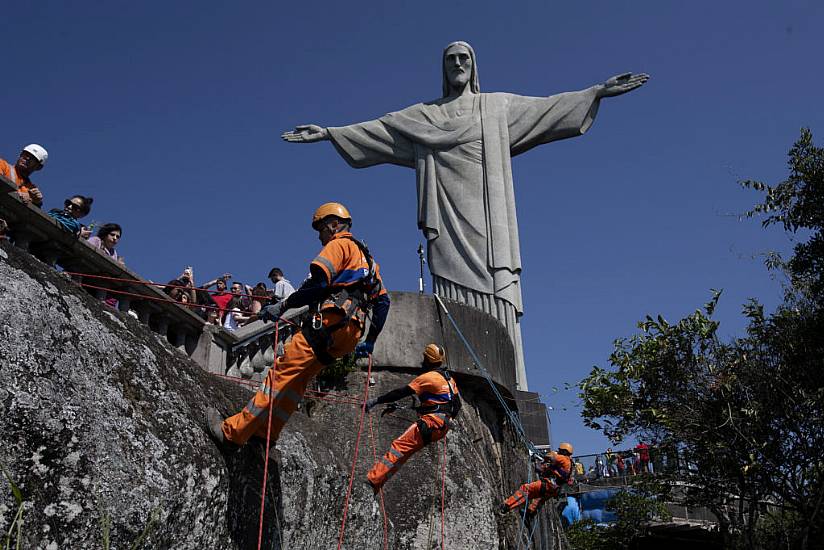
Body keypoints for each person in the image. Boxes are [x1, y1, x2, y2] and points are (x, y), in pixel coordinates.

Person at [282, 41, 649, 390]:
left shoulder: (496, 107)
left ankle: (513, 381)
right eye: (451, 60)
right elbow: (379, 128)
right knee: (451, 283)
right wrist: (329, 133)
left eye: (464, 59)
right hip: (446, 215)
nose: (458, 64)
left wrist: (596, 91)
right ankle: (453, 361)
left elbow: (548, 108)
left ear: (473, 67)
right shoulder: (424, 116)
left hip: (489, 213)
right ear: (443, 69)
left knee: (497, 281)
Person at [206, 202, 391, 449]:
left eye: (321, 230)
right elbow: (383, 302)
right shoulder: (369, 261)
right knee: (298, 382)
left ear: (334, 225)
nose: (320, 237)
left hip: (329, 322)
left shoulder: (339, 245)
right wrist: (371, 340)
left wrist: (283, 307)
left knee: (280, 375)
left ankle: (232, 433)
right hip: (350, 333)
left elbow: (318, 285)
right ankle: (267, 434)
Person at [364, 344, 461, 492]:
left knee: (398, 448)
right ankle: (378, 482)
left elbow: (401, 392)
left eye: (424, 358)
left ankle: (372, 481)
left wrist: (376, 400)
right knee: (403, 453)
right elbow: (456, 405)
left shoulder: (428, 377)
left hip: (430, 423)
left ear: (427, 360)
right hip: (441, 427)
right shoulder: (449, 379)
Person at [501, 442, 574, 516]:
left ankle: (507, 505)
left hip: (548, 484)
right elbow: (553, 469)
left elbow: (550, 456)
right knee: (533, 498)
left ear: (565, 451)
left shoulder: (563, 458)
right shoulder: (569, 464)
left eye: (560, 450)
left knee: (525, 489)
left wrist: (552, 454)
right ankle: (529, 514)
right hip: (554, 489)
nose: (559, 451)